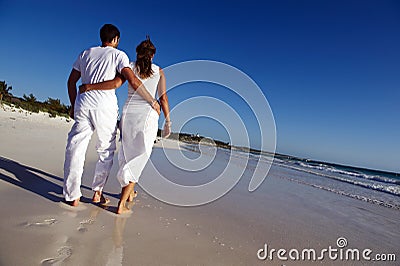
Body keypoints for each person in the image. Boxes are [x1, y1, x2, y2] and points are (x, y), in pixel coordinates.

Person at [64, 25, 161, 207]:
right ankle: (97, 192)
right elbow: (126, 81)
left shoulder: (85, 53)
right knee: (105, 151)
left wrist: (73, 104)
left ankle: (72, 195)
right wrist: (152, 101)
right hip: (105, 107)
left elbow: (71, 81)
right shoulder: (119, 55)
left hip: (83, 104)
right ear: (116, 39)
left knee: (75, 147)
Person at [80, 36, 171, 214]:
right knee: (140, 156)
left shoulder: (129, 66)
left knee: (129, 153)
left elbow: (115, 83)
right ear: (152, 56)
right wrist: (168, 120)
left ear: (138, 53)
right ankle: (121, 204)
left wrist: (90, 87)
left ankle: (129, 194)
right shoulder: (158, 71)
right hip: (147, 117)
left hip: (128, 115)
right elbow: (163, 98)